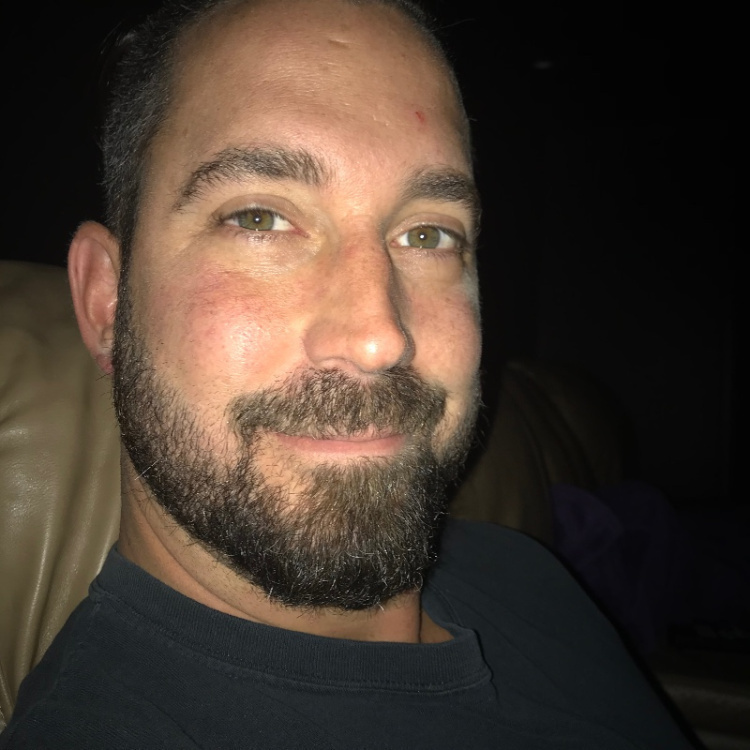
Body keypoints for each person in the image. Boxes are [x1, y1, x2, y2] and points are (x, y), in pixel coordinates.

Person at [1, 0, 695, 747]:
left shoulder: (527, 571)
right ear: (106, 300)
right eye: (260, 218)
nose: (378, 339)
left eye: (426, 234)